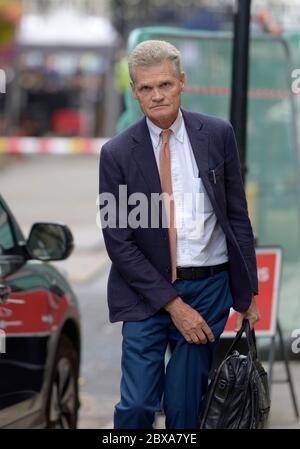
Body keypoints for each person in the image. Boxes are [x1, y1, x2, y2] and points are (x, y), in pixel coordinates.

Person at [99, 40, 260, 429]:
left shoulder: (218, 134)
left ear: (182, 82)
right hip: (144, 293)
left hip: (208, 288)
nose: (157, 96)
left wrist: (248, 293)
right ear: (135, 92)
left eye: (165, 85)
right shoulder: (116, 153)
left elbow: (237, 216)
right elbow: (118, 242)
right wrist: (173, 305)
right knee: (137, 406)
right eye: (146, 89)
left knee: (184, 408)